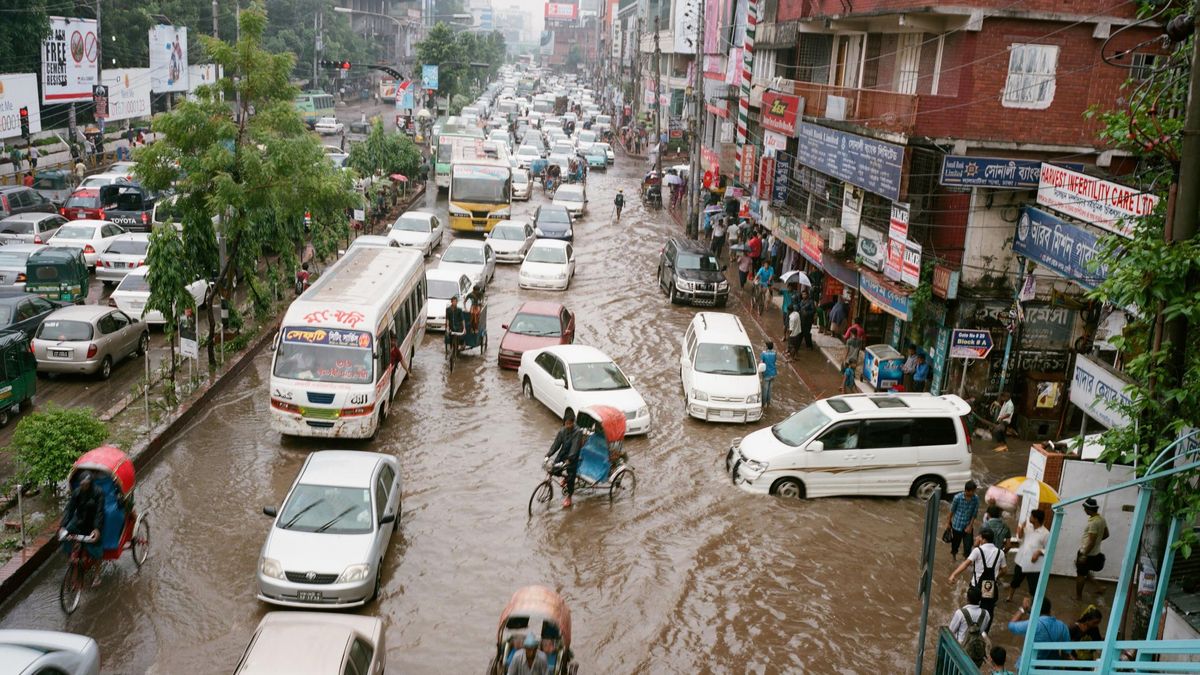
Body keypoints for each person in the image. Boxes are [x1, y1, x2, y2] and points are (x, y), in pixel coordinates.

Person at [59, 471, 106, 585]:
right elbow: (69, 509)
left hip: (93, 522)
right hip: (79, 520)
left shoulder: (98, 493)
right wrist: (62, 526)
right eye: (82, 484)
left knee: (95, 545)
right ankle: (71, 560)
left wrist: (97, 529)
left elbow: (99, 513)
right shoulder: (77, 492)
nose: (84, 486)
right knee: (65, 537)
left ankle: (97, 574)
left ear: (90, 483)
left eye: (86, 484)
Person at [950, 529, 1006, 618]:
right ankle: (984, 631)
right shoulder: (1000, 553)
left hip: (976, 586)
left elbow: (966, 564)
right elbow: (1004, 570)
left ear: (983, 540)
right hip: (989, 586)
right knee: (987, 611)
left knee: (972, 610)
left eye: (979, 537)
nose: (977, 538)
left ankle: (971, 627)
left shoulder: (978, 551)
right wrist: (995, 577)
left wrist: (954, 574)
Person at [1007, 596, 1071, 661]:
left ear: (1035, 609)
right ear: (1049, 609)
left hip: (1031, 664)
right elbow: (1067, 652)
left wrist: (1023, 609)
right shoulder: (1062, 626)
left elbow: (1011, 626)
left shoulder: (1034, 624)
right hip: (1052, 666)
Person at [544, 410, 584, 508]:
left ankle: (569, 496)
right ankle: (565, 478)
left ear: (573, 422)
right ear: (564, 423)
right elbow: (556, 444)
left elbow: (575, 447)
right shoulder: (562, 431)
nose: (568, 425)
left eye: (570, 423)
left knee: (571, 476)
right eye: (566, 423)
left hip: (573, 457)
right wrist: (548, 454)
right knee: (554, 468)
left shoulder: (577, 432)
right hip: (562, 455)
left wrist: (569, 459)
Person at [1008, 508, 1049, 601]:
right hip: (1021, 560)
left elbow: (1049, 549)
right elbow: (1020, 539)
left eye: (1031, 516)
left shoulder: (1045, 533)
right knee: (1015, 581)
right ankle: (1010, 597)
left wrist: (1039, 552)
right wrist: (1021, 529)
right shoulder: (1028, 527)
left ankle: (1034, 605)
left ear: (1036, 519)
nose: (1029, 517)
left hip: (1033, 564)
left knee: (1033, 587)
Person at [1075, 497, 1109, 599]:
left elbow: (1091, 540)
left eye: (1085, 508)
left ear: (1089, 509)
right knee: (1084, 570)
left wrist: (1084, 554)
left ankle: (1078, 597)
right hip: (1095, 553)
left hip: (1087, 553)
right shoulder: (1101, 519)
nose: (1084, 510)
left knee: (1081, 575)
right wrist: (1097, 541)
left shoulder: (1094, 523)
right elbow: (1106, 534)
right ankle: (1100, 587)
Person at [948, 586, 991, 666]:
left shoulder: (960, 613)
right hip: (977, 653)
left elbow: (950, 631)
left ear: (967, 598)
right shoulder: (986, 614)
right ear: (980, 599)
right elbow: (982, 630)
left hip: (961, 651)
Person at [946, 480, 981, 560]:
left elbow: (974, 513)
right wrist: (948, 523)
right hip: (956, 526)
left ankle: (966, 560)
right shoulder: (957, 498)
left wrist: (970, 526)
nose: (973, 493)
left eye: (974, 491)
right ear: (966, 490)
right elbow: (952, 511)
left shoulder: (975, 499)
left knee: (968, 546)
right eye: (972, 491)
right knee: (955, 544)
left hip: (968, 526)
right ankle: (953, 557)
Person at [759, 341, 778, 406]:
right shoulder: (775, 353)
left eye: (765, 345)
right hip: (773, 373)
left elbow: (761, 364)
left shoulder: (763, 354)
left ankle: (763, 404)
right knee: (770, 390)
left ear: (767, 347)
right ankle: (768, 403)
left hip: (766, 373)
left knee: (765, 390)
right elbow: (774, 361)